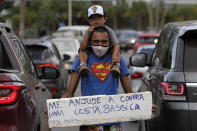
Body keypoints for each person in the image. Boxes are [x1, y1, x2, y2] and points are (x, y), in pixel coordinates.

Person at [62, 26, 133, 131]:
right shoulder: (80, 62)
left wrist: (146, 105)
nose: (100, 46)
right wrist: (54, 108)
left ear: (110, 41)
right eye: (96, 41)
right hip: (89, 121)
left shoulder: (118, 61)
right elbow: (69, 94)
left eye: (104, 42)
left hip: (113, 121)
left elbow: (129, 93)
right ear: (90, 42)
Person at [79, 5, 121, 77]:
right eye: (93, 18)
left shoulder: (109, 30)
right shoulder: (87, 31)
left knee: (117, 51)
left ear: (105, 19)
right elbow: (82, 47)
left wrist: (114, 55)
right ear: (88, 21)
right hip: (91, 49)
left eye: (99, 18)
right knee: (82, 51)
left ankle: (116, 66)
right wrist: (88, 33)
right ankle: (83, 65)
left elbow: (116, 44)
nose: (96, 20)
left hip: (107, 49)